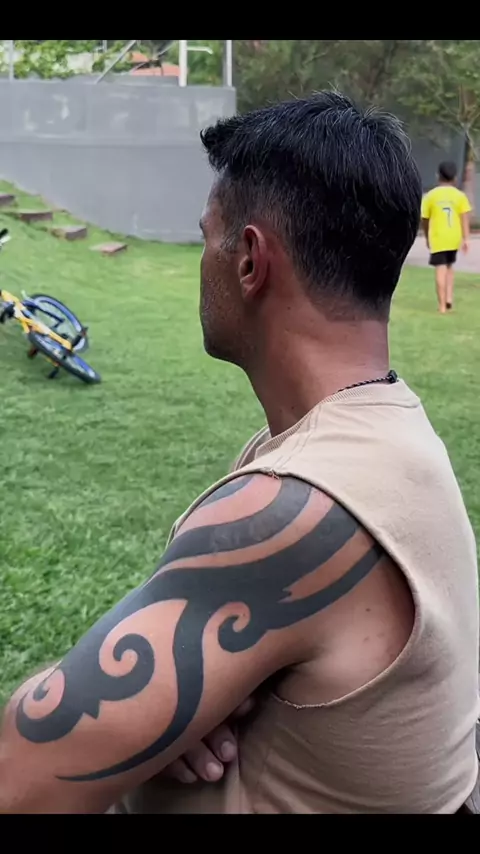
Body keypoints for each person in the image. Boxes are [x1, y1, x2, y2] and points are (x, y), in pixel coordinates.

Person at [1, 92, 479, 815]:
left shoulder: (297, 508)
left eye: (207, 237)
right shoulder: (387, 432)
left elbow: (20, 776)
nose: (204, 262)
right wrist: (177, 717)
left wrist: (109, 703)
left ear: (250, 259)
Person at [421, 161, 472, 314]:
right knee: (450, 267)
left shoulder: (430, 196)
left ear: (438, 176)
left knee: (440, 269)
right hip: (454, 237)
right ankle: (449, 298)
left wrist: (427, 237)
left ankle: (442, 306)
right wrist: (466, 239)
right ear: (455, 178)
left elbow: (425, 219)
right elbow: (464, 218)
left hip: (438, 238)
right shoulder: (460, 196)